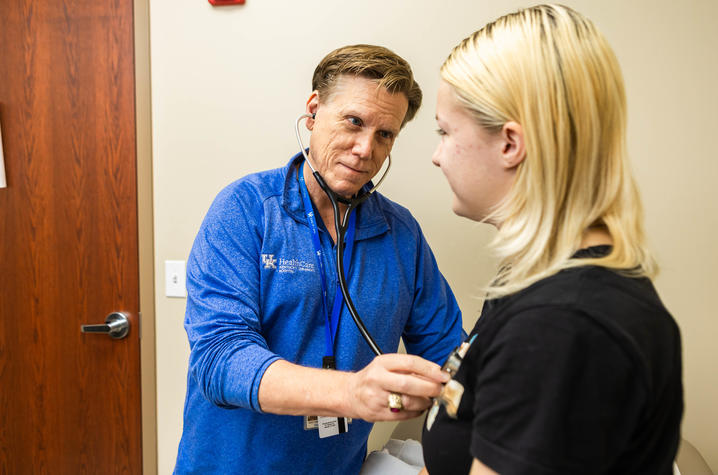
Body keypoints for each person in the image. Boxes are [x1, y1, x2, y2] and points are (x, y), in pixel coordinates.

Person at [174, 44, 464, 474]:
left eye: (385, 135)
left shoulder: (401, 235)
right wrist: (351, 393)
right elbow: (220, 360)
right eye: (354, 122)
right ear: (313, 111)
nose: (365, 149)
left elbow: (448, 356)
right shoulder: (246, 209)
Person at [420, 5, 683, 474]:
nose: (436, 157)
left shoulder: (560, 325)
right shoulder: (534, 277)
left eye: (445, 131)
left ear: (510, 144)